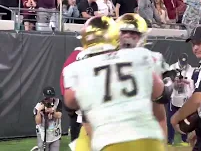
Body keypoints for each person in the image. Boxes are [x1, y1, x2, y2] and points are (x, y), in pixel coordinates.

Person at [63, 15, 168, 151]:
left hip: (128, 134)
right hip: (101, 132)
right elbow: (87, 118)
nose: (128, 37)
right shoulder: (146, 59)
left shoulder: (143, 61)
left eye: (134, 33)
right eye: (124, 32)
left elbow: (159, 113)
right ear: (114, 35)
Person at [167, 53, 194, 145]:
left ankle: (184, 139)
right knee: (171, 119)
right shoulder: (172, 67)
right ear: (178, 60)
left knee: (185, 120)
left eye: (184, 63)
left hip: (185, 97)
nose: (183, 65)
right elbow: (168, 82)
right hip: (174, 96)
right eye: (181, 63)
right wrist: (175, 82)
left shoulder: (190, 69)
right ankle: (170, 139)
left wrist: (184, 82)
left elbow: (191, 82)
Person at [33, 86, 63, 151]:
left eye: (51, 97)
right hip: (43, 134)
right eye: (47, 97)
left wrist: (52, 112)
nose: (49, 99)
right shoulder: (39, 105)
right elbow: (38, 122)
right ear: (44, 96)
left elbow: (59, 115)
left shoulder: (57, 102)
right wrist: (39, 111)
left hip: (55, 134)